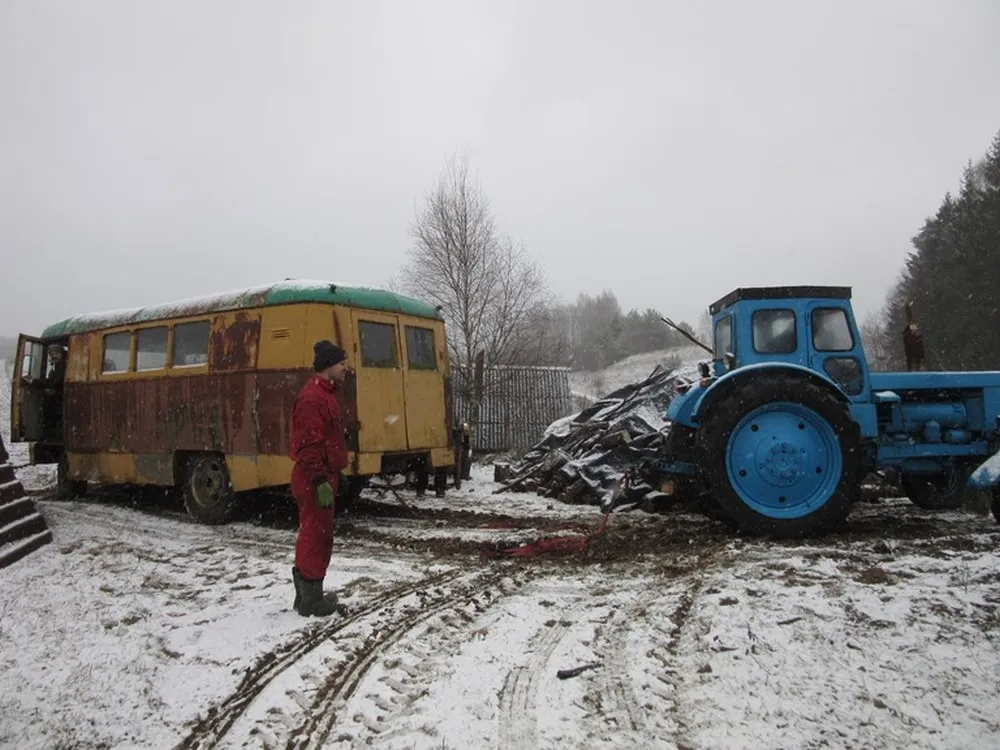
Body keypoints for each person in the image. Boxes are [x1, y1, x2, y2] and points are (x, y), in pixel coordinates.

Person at [290, 340, 351, 617]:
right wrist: (319, 480)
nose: (346, 367)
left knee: (318, 534)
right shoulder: (312, 399)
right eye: (342, 363)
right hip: (315, 478)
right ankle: (311, 600)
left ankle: (307, 595)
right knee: (315, 536)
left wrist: (336, 471)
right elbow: (308, 444)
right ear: (329, 365)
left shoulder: (326, 395)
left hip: (324, 474)